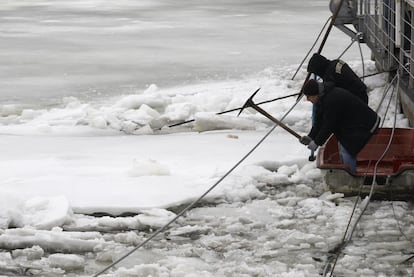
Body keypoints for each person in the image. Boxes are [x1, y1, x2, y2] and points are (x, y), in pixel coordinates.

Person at [299, 79, 380, 174]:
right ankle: (345, 172)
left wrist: (317, 142)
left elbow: (328, 125)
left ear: (315, 93)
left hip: (365, 123)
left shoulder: (331, 99)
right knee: (343, 145)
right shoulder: (321, 97)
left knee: (348, 149)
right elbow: (319, 121)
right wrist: (311, 136)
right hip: (350, 121)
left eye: (309, 96)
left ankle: (350, 177)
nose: (308, 99)